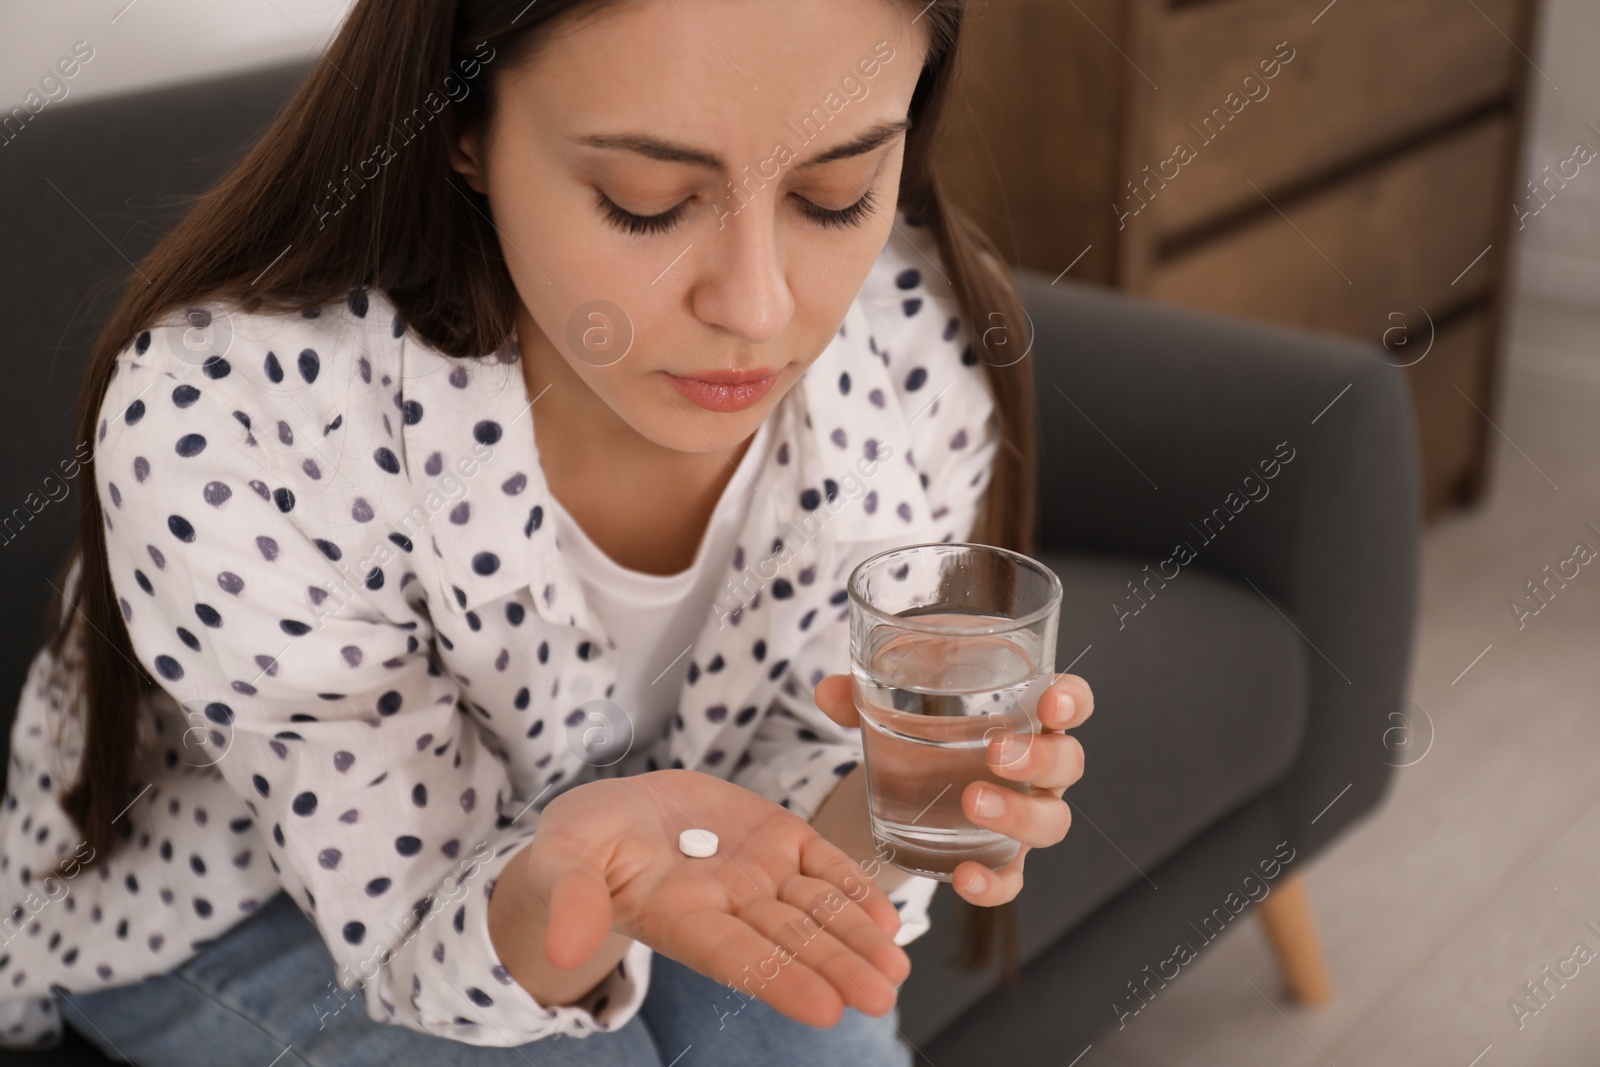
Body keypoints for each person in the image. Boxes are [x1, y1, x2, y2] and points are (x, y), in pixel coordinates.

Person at [0, 0, 1094, 1062]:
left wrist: (887, 802)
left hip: (680, 848)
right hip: (230, 902)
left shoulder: (918, 340)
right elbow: (408, 914)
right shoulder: (233, 416)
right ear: (460, 127)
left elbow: (787, 814)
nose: (756, 308)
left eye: (835, 192)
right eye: (645, 201)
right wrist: (564, 895)